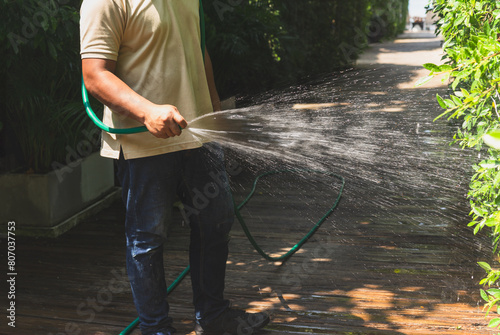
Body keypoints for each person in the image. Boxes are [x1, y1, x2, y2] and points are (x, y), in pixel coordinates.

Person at [79, 1, 270, 334]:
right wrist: (146, 112)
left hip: (198, 136)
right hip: (143, 145)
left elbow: (199, 51)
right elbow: (95, 75)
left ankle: (213, 317)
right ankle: (156, 328)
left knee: (216, 223)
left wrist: (215, 116)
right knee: (147, 240)